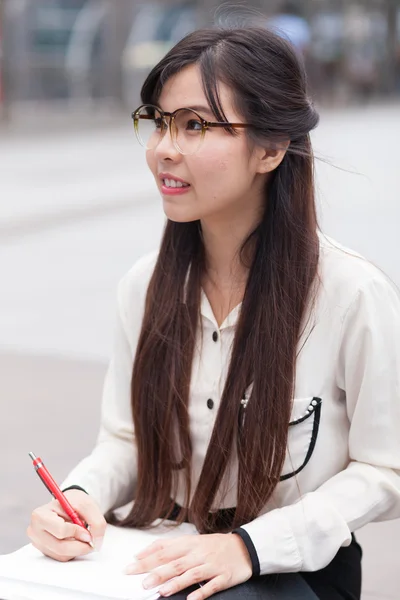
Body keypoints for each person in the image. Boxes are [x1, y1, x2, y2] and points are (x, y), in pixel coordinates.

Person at [27, 26, 400, 600]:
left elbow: (386, 471)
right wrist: (78, 498)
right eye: (159, 121)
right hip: (157, 551)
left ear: (271, 149)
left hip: (291, 571)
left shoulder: (350, 293)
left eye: (194, 125)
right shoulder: (144, 287)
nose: (164, 148)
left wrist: (251, 546)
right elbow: (125, 441)